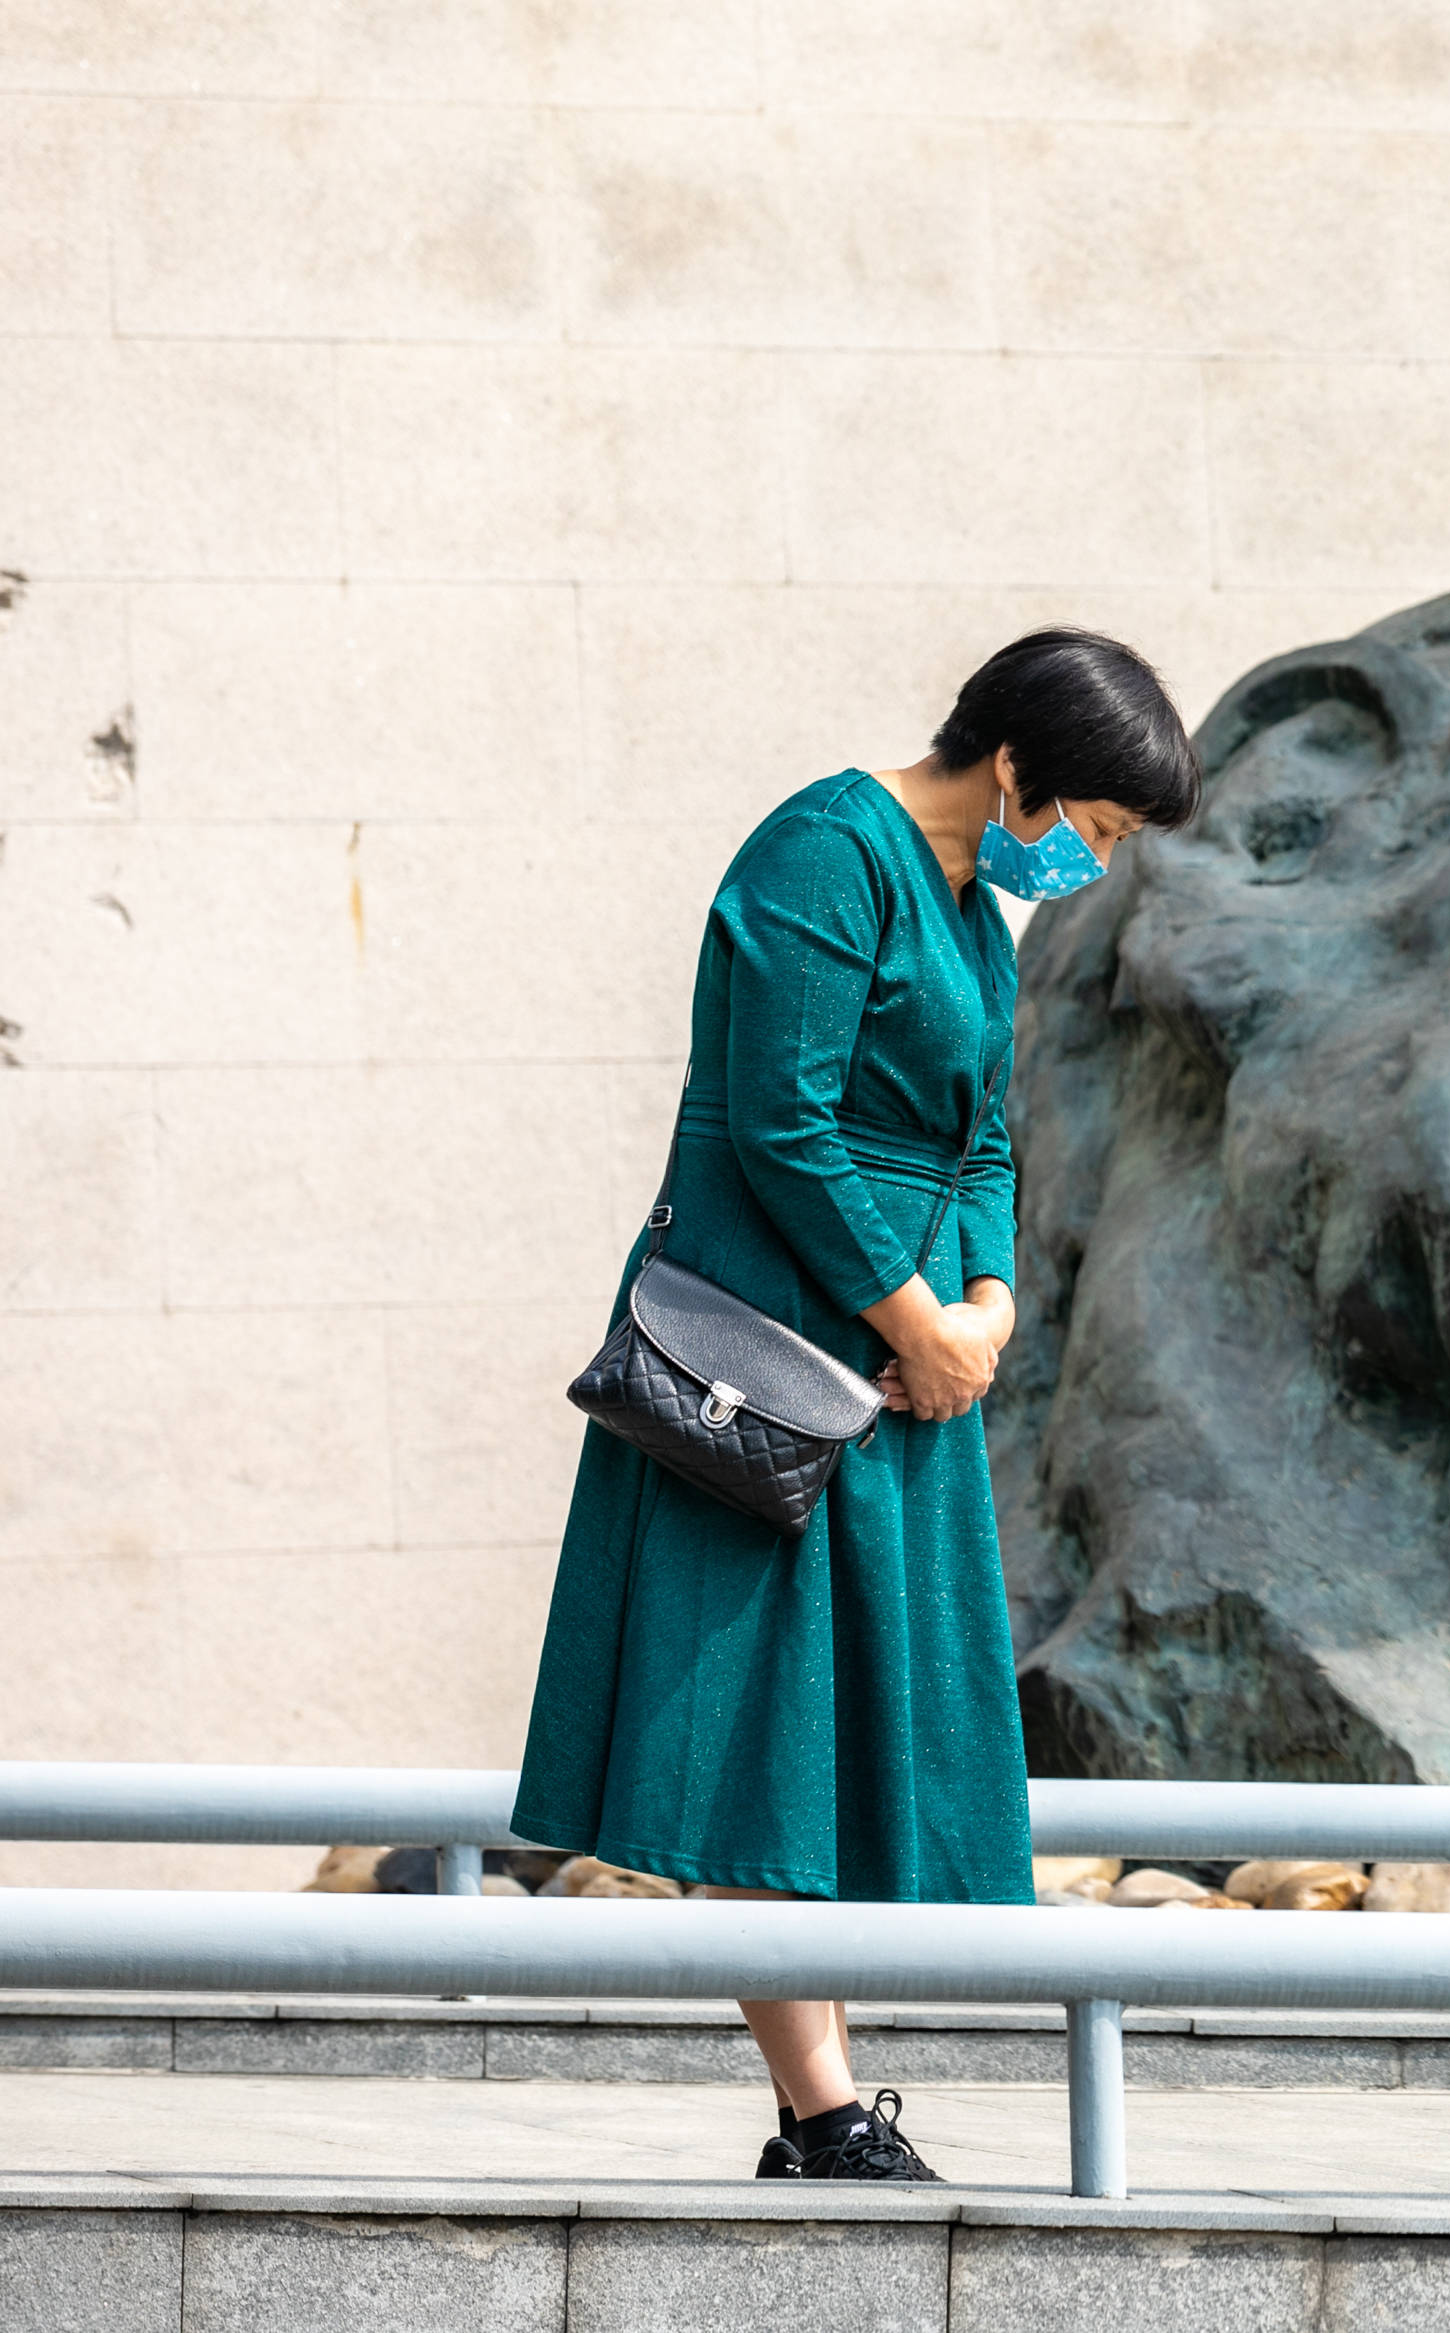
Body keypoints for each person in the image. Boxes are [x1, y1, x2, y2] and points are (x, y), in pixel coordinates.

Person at [513, 628, 1198, 2180]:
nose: (1088, 861)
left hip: (901, 1385)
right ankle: (823, 2109)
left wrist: (990, 1307)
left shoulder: (975, 917)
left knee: (822, 1749)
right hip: (775, 1367)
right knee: (768, 1744)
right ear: (1017, 763)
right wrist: (916, 1318)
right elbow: (779, 1121)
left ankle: (821, 2110)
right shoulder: (826, 849)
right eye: (1092, 828)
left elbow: (981, 1144)